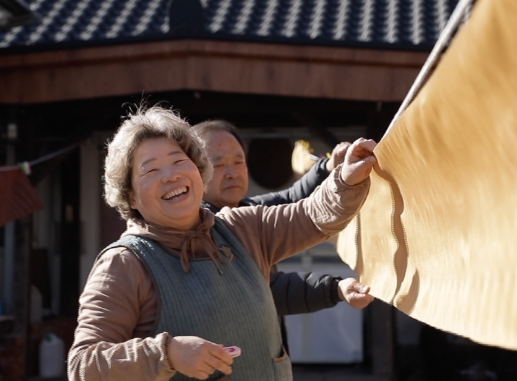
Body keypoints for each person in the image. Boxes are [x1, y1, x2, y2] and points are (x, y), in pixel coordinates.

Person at [67, 105, 376, 381]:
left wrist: (345, 180)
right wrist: (168, 353)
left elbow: (313, 215)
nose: (171, 175)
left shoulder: (242, 226)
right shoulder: (124, 263)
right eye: (151, 170)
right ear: (130, 195)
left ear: (199, 172)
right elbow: (83, 365)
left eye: (179, 160)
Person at [191, 120, 374, 351]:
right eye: (218, 164)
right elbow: (265, 289)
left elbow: (290, 199)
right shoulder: (200, 230)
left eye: (238, 161)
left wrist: (329, 167)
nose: (232, 172)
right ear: (192, 173)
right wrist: (335, 288)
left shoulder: (246, 210)